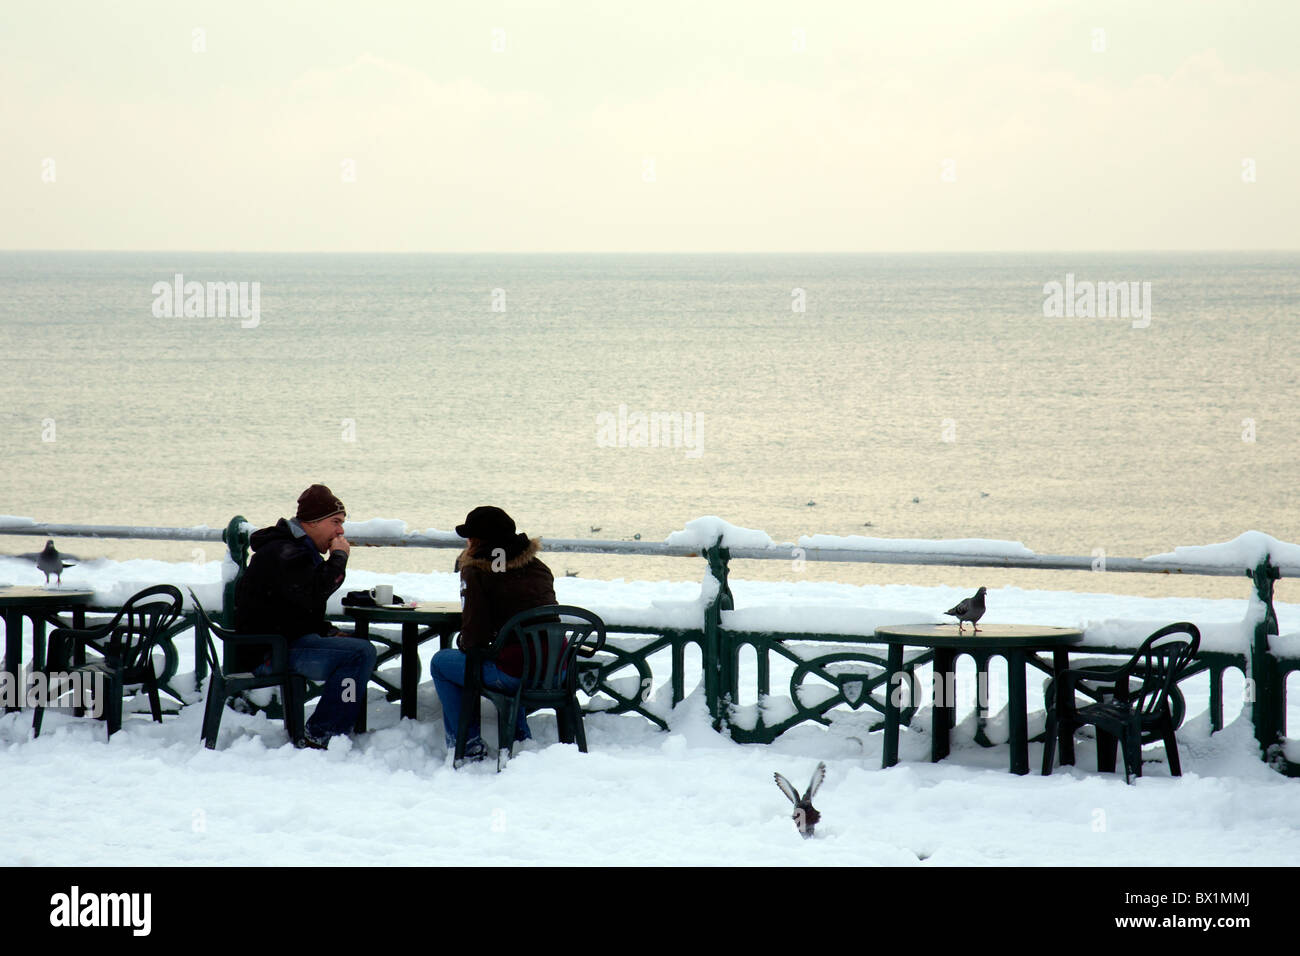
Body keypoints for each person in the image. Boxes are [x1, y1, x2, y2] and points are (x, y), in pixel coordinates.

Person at [235, 484, 376, 749]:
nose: (341, 531)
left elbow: (297, 607)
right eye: (335, 522)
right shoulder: (284, 552)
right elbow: (313, 594)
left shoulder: (294, 549)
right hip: (269, 654)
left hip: (281, 642)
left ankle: (336, 726)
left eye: (342, 523)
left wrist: (326, 631)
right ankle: (323, 733)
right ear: (311, 522)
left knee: (358, 647)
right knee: (360, 653)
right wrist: (338, 558)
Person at [432, 506, 556, 762]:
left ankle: (466, 746)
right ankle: (521, 738)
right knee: (516, 651)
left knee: (442, 662)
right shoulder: (538, 566)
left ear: (477, 541)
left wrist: (464, 643)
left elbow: (475, 638)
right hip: (555, 670)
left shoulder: (477, 570)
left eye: (469, 537)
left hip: (515, 673)